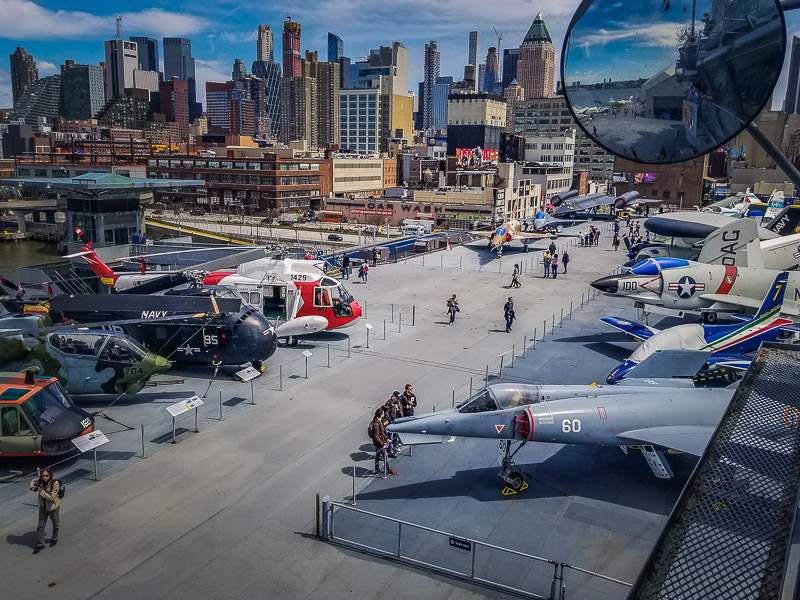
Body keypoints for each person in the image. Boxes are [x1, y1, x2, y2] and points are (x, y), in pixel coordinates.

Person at [30, 467, 60, 553]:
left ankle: (54, 538)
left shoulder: (55, 484)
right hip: (43, 507)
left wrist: (40, 491)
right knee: (40, 526)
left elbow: (51, 498)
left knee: (56, 524)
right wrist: (32, 487)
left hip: (53, 508)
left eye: (46, 476)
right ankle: (40, 544)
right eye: (43, 476)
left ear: (50, 475)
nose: (44, 478)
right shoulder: (40, 480)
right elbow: (33, 481)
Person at [370, 409, 397, 475]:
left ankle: (377, 469)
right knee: (385, 456)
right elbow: (377, 436)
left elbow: (382, 433)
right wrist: (382, 444)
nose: (384, 414)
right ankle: (388, 469)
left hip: (377, 442)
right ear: (381, 415)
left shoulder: (378, 421)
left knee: (377, 455)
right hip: (378, 443)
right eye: (383, 413)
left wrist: (386, 438)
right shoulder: (376, 424)